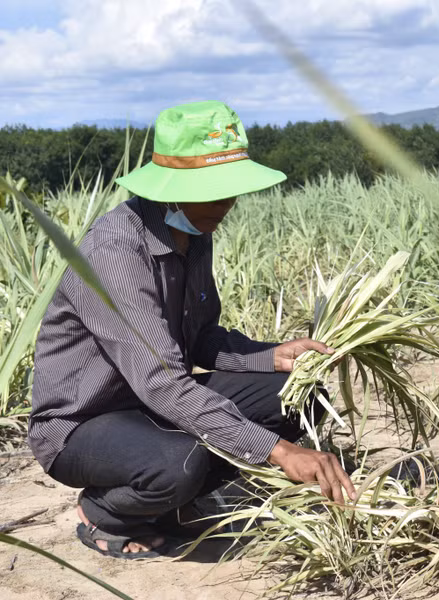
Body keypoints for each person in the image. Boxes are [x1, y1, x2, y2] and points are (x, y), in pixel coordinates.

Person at [27, 100, 355, 560]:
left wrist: (273, 356)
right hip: (85, 422)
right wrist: (279, 452)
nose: (226, 204)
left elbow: (201, 337)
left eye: (229, 190)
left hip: (152, 403)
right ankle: (106, 512)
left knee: (299, 394)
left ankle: (174, 502)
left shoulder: (195, 232)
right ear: (171, 187)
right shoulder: (115, 251)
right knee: (180, 462)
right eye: (212, 191)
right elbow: (163, 383)